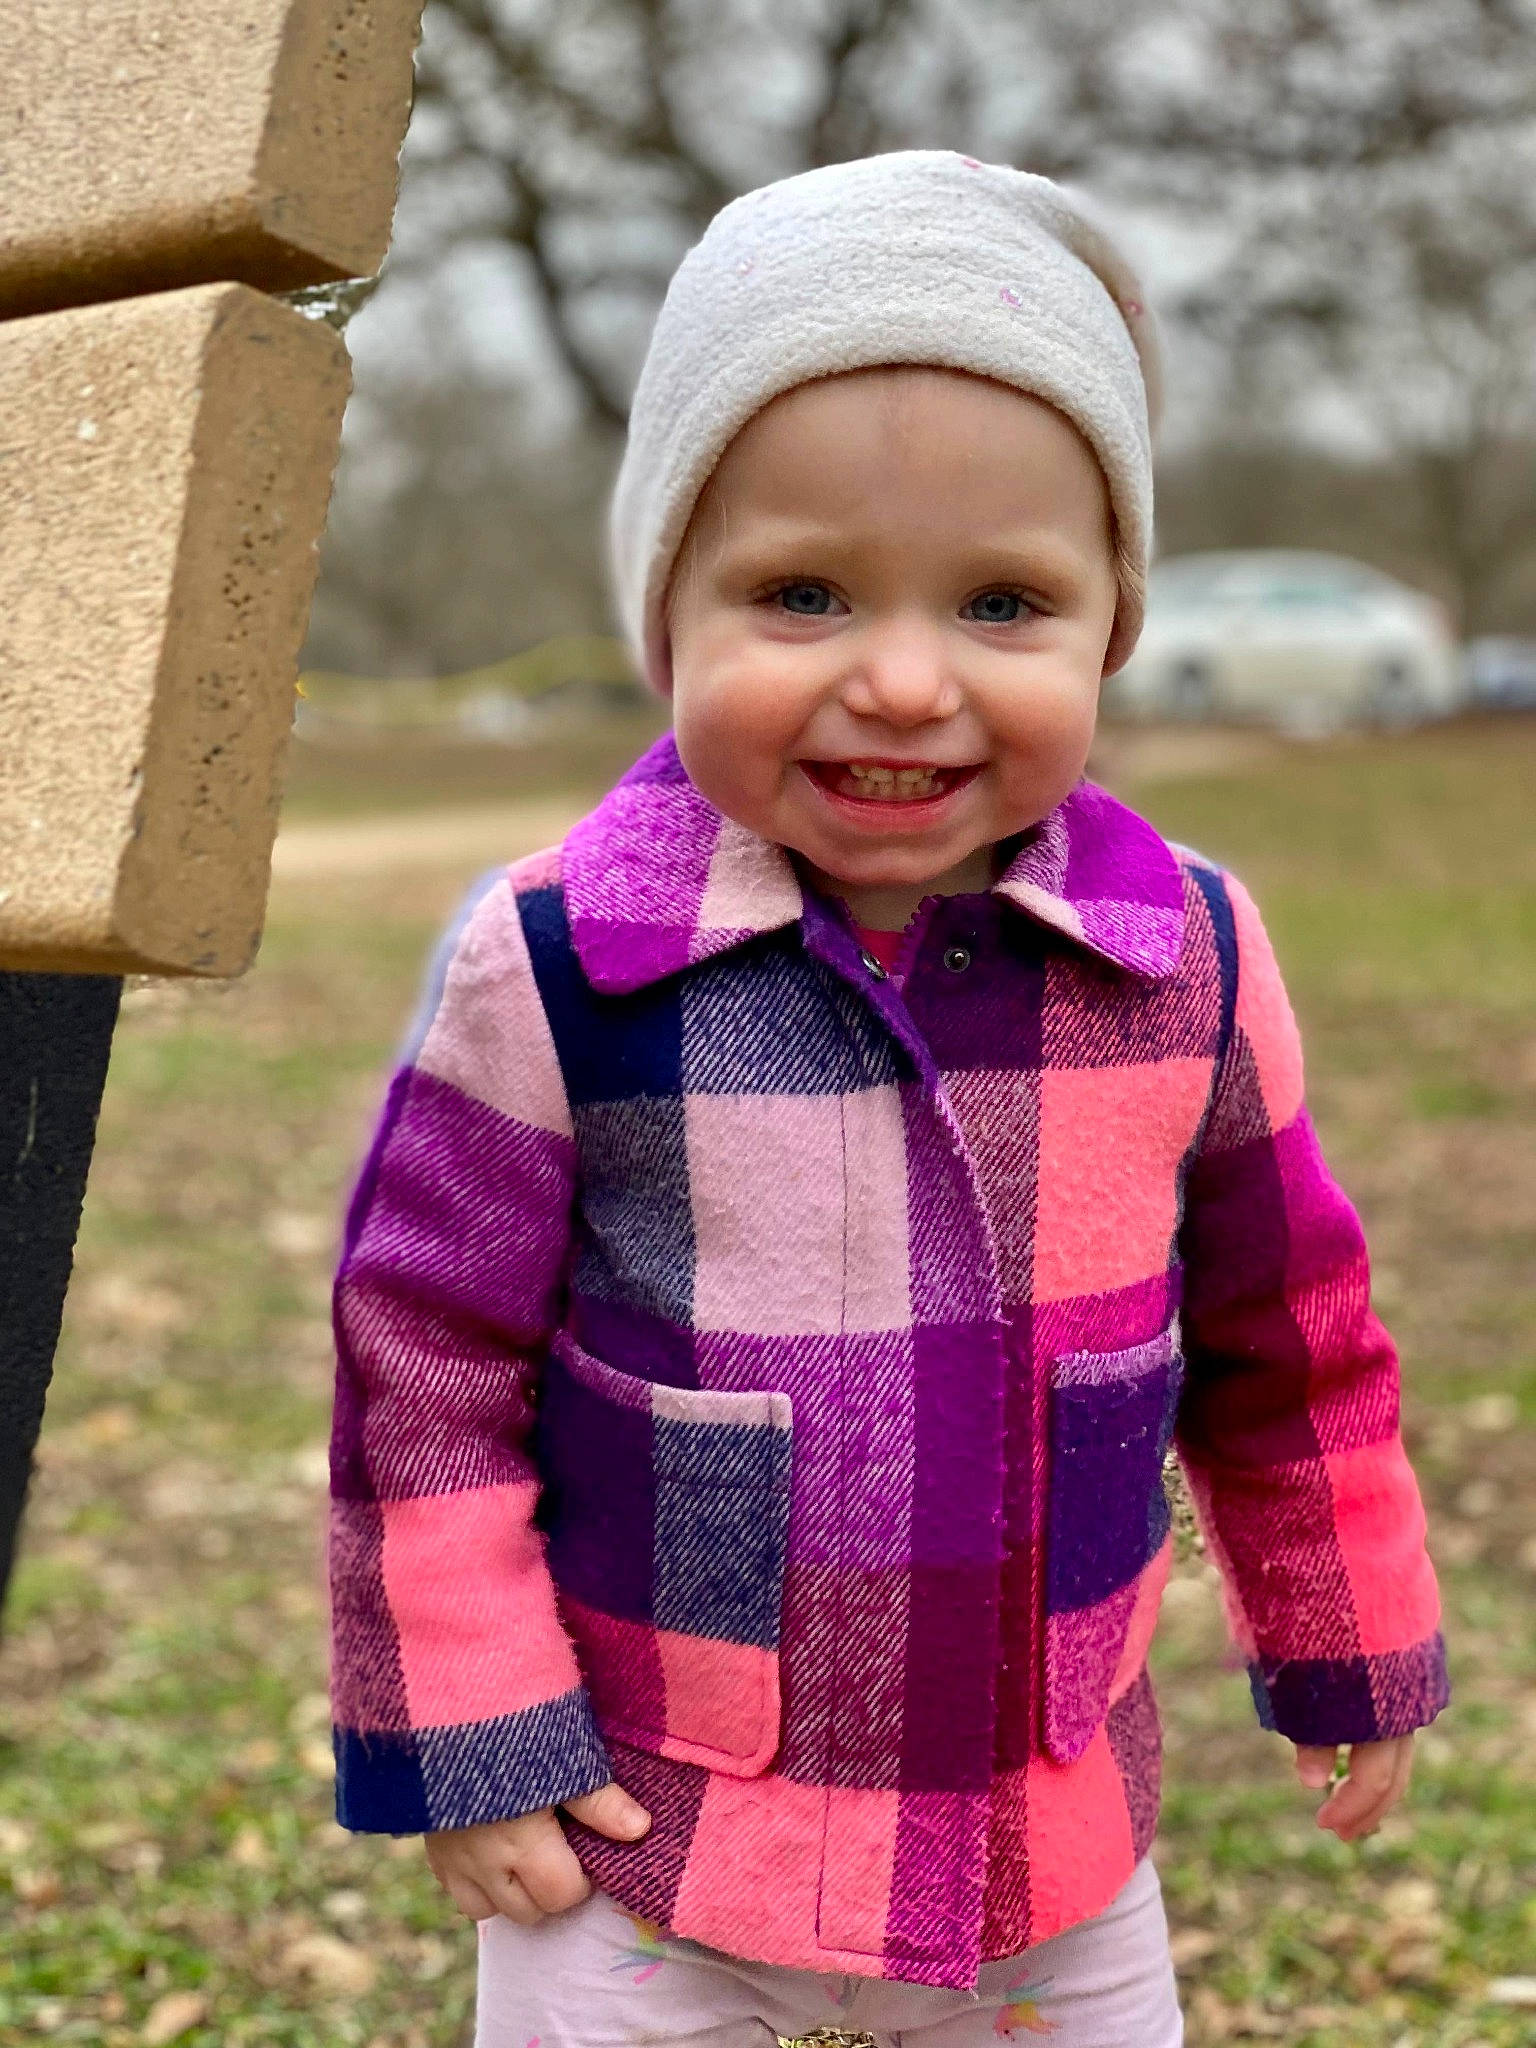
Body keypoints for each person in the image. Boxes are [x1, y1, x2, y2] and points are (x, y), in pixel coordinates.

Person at [325, 152, 1449, 2046]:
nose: (906, 680)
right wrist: (474, 1728)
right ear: (666, 609)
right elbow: (421, 1362)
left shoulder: (1182, 959)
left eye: (1004, 602)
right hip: (653, 1832)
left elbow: (1295, 1344)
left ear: (1111, 628)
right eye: (806, 592)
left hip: (1044, 1842)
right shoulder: (561, 960)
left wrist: (1351, 1635)